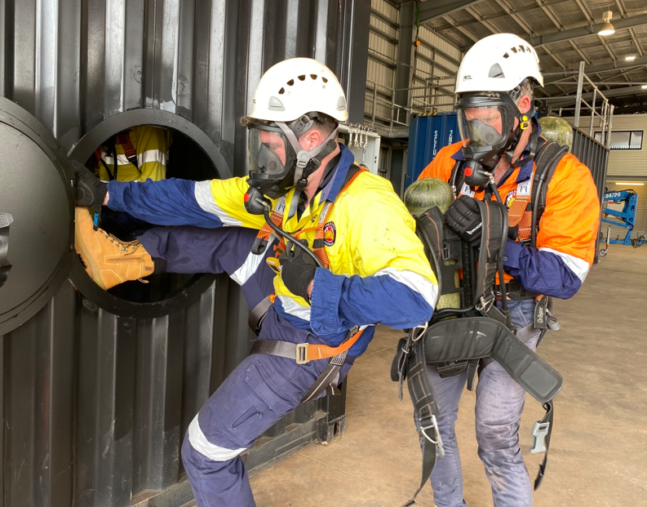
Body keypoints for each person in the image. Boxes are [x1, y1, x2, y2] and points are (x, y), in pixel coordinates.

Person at [71, 57, 438, 506]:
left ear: (312, 140)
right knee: (228, 234)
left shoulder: (366, 204)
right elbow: (193, 199)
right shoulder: (286, 191)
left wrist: (314, 287)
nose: (264, 158)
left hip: (312, 346)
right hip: (284, 307)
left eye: (272, 146)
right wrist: (108, 193)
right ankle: (123, 258)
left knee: (205, 454)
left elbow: (417, 298)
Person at [417, 34, 600, 507]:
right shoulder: (450, 163)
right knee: (433, 424)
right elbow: (411, 219)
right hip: (454, 306)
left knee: (495, 434)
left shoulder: (564, 176)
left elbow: (564, 275)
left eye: (485, 111)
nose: (474, 124)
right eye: (468, 112)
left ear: (522, 102)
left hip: (516, 315)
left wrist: (493, 239)